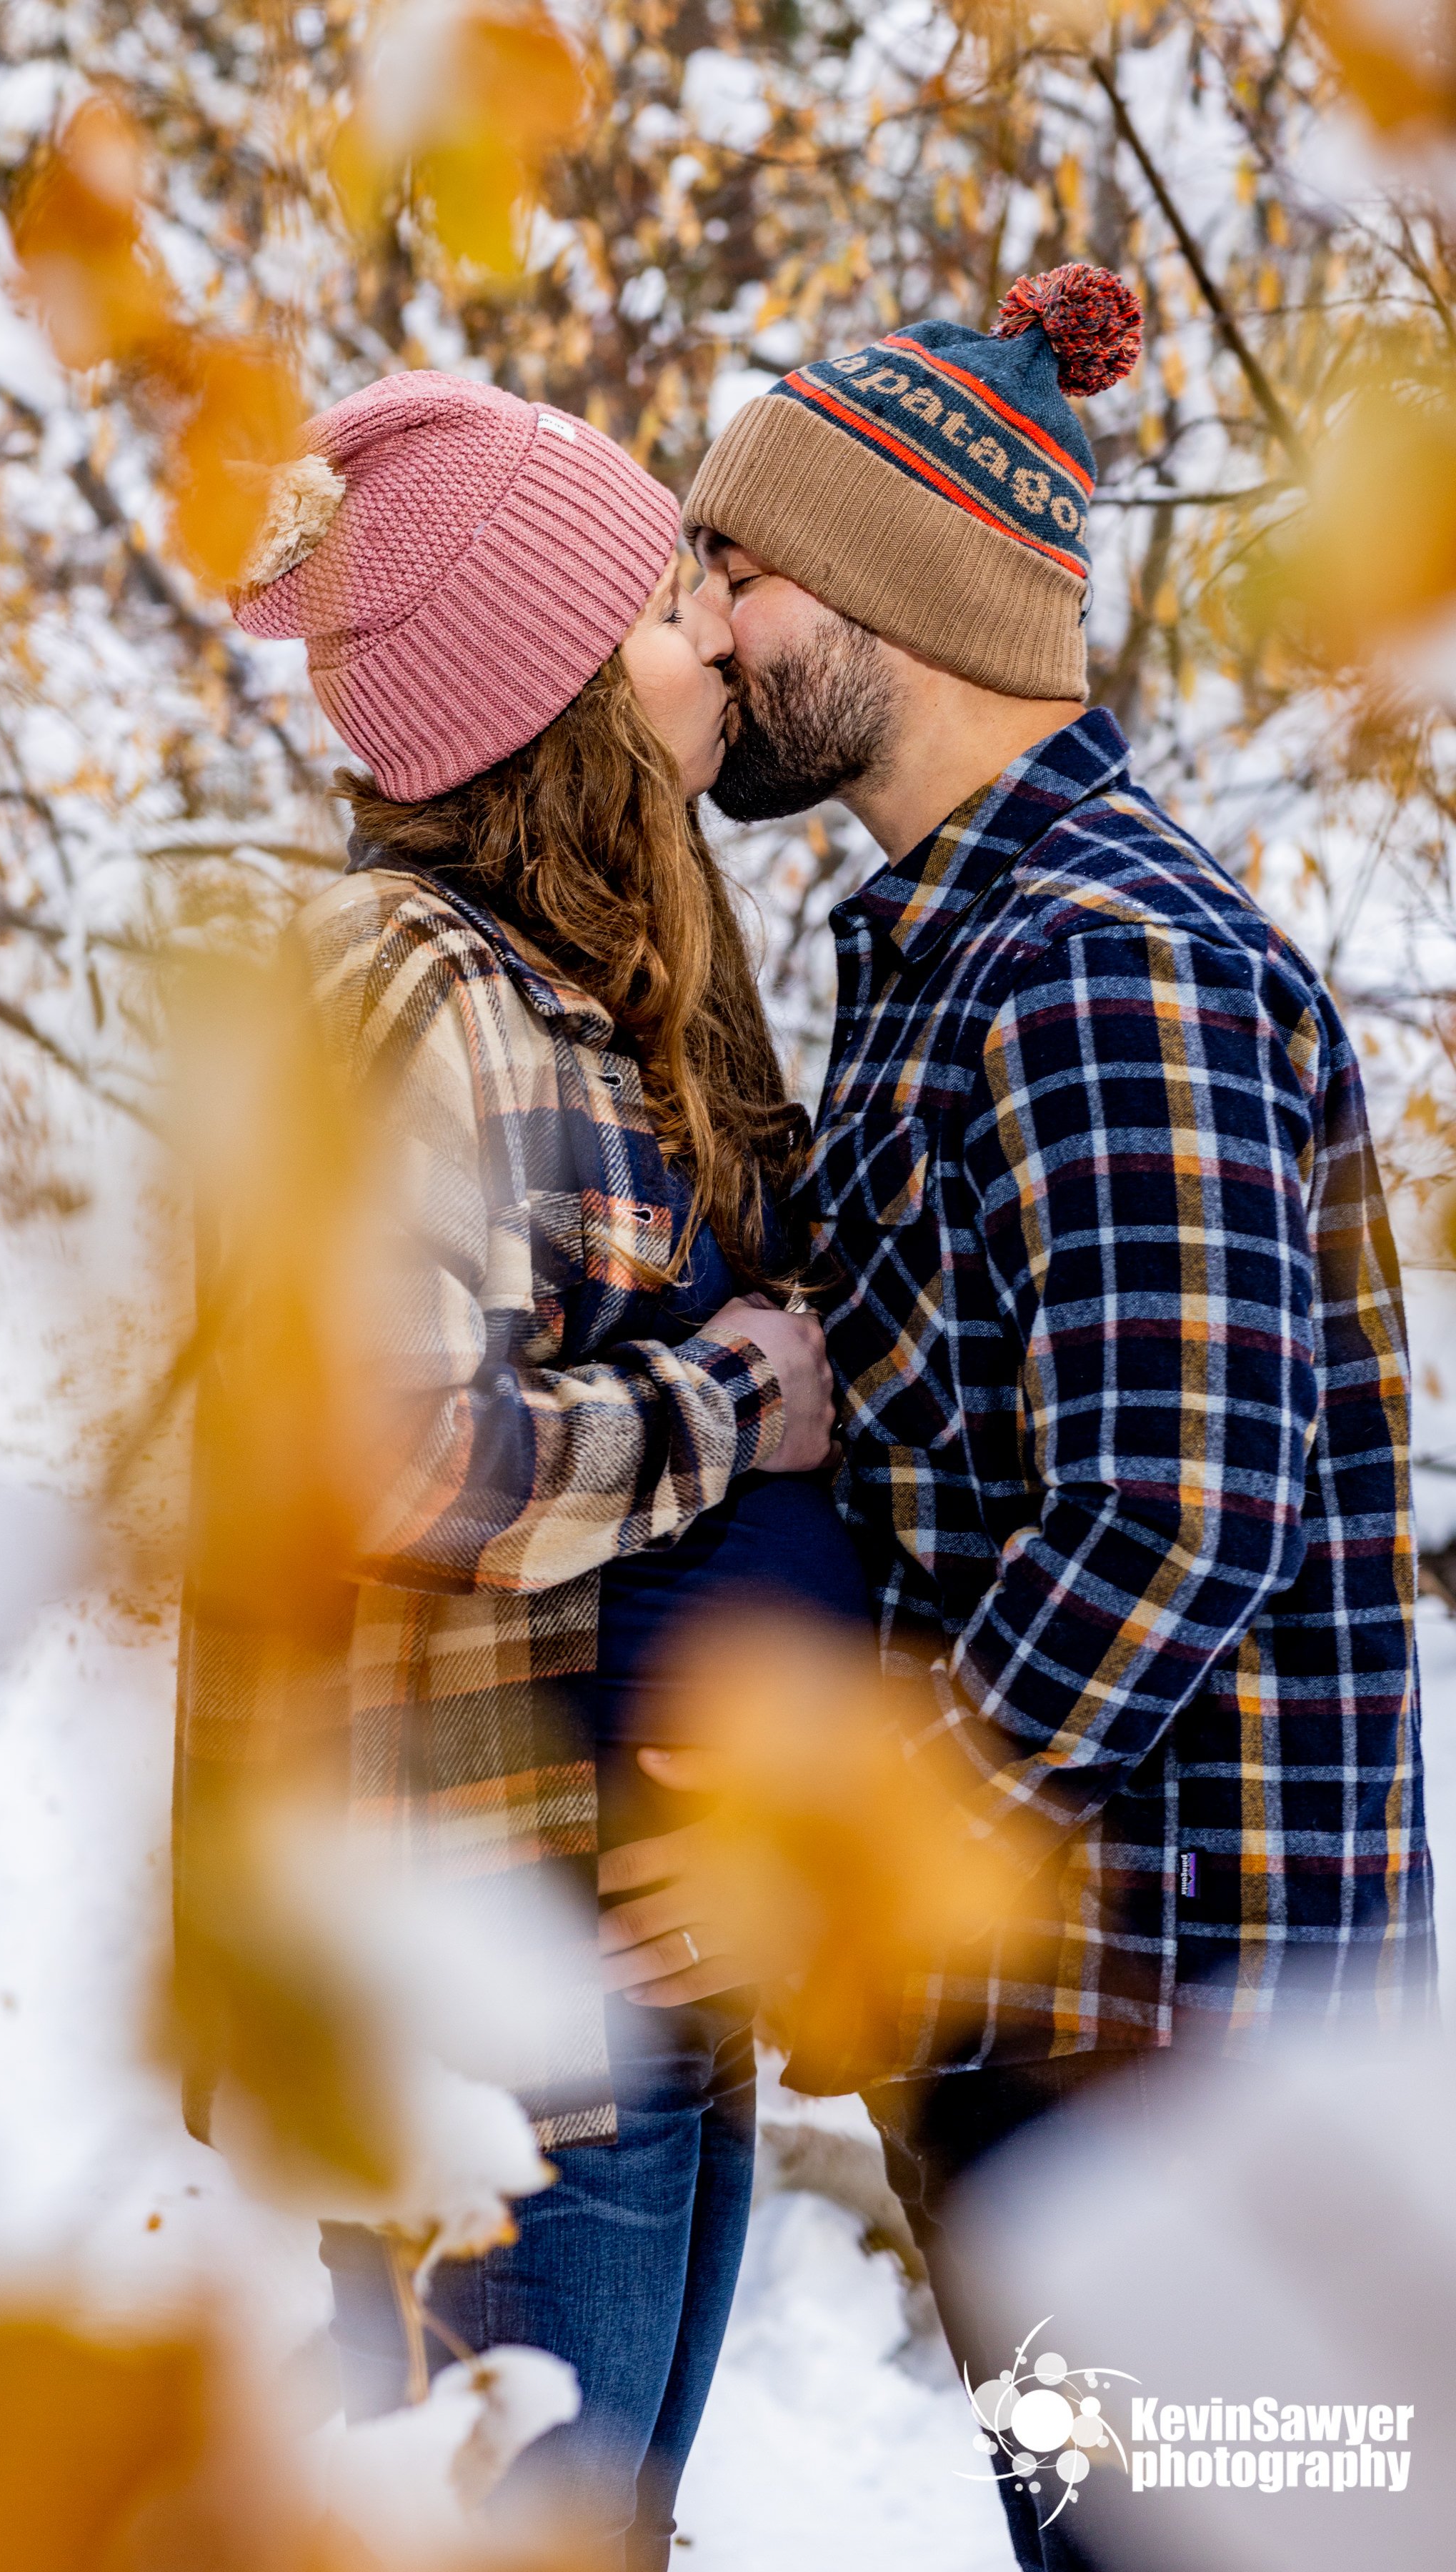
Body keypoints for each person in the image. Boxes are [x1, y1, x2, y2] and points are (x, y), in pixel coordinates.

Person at [684, 261, 1435, 2571]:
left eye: (736, 567)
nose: (703, 626)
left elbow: (1174, 1521)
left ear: (897, 593)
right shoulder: (955, 946)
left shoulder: (1100, 958)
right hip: (1067, 2022)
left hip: (1181, 2051)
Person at [179, 369, 872, 2571]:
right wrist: (726, 1415)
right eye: (674, 599)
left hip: (633, 1956)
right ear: (564, 690)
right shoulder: (414, 991)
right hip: (482, 2013)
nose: (715, 639)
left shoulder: (597, 988)